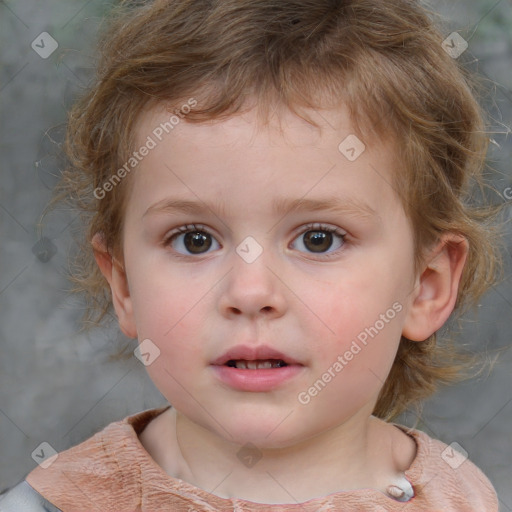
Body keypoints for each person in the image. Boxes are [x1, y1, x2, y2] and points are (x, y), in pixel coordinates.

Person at [0, 0, 503, 510]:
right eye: (194, 240)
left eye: (318, 239)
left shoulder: (461, 495)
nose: (250, 293)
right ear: (124, 285)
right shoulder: (52, 504)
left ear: (426, 286)